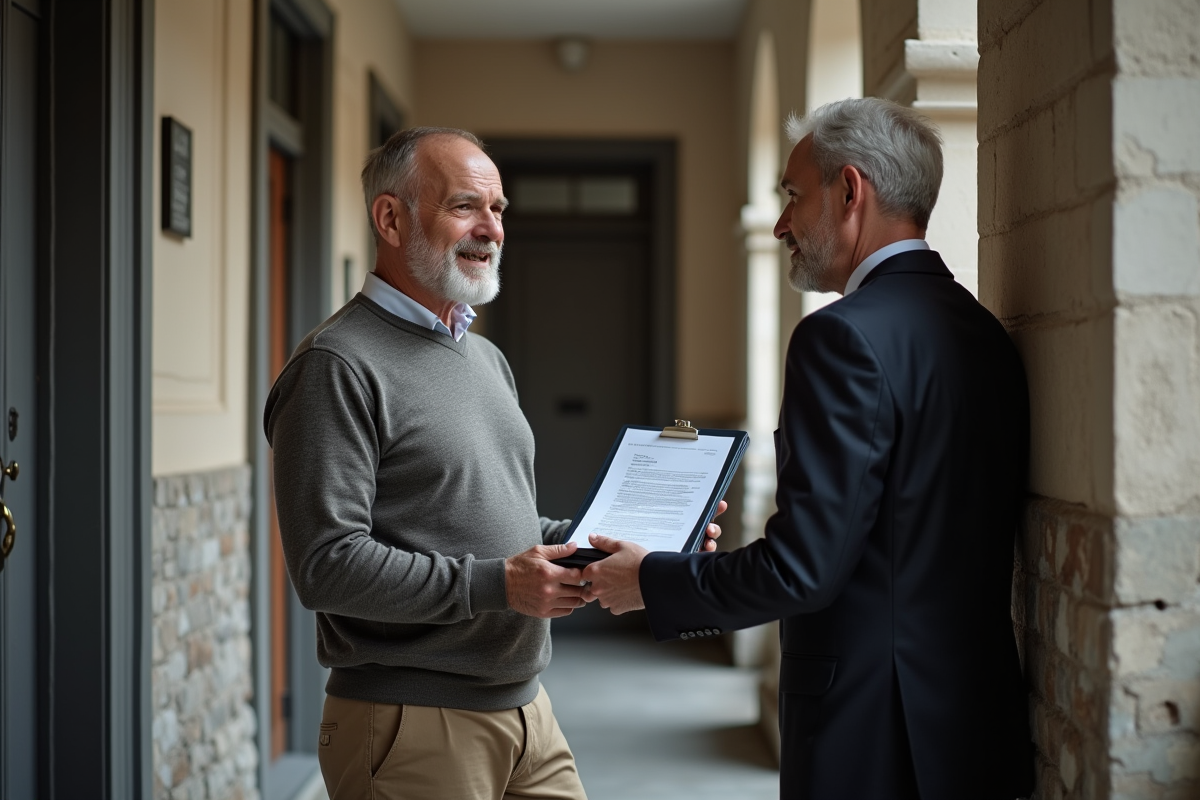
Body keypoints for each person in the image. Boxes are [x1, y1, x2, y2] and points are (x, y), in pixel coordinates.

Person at [582, 98, 1036, 799]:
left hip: (870, 734)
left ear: (850, 191)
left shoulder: (840, 338)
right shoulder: (985, 333)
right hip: (974, 724)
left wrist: (650, 579)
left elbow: (801, 571)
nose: (781, 223)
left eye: (794, 196)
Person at [263, 127, 594, 799]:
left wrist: (606, 537)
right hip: (411, 721)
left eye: (499, 210)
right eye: (466, 206)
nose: (491, 229)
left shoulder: (484, 357)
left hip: (527, 710)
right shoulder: (337, 365)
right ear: (391, 218)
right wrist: (499, 585)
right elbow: (327, 565)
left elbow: (485, 520)